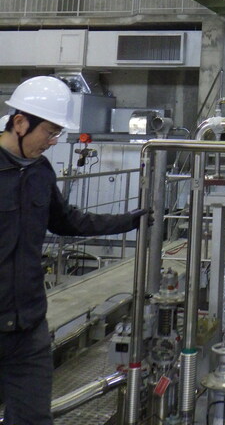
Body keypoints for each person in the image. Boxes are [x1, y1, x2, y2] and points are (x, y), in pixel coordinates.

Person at [0, 75, 148, 425]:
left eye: (57, 135)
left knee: (34, 418)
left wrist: (129, 221)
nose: (52, 142)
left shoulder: (40, 171)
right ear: (20, 122)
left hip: (28, 327)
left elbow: (68, 221)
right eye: (49, 133)